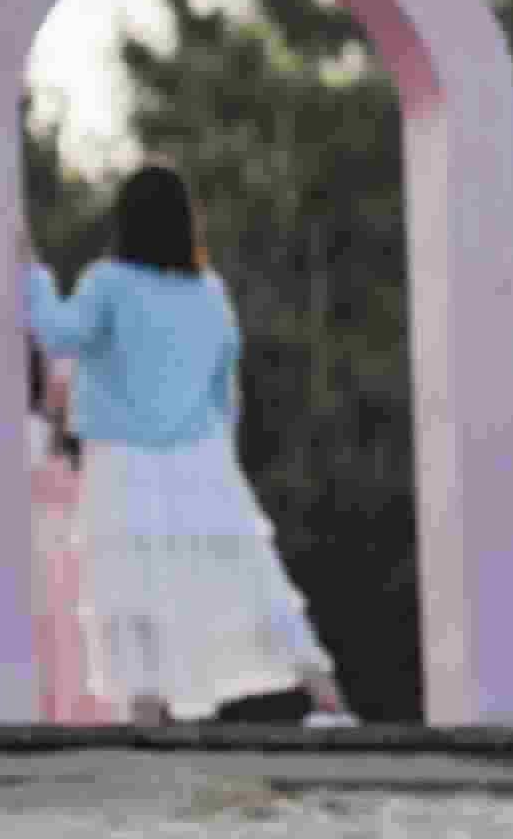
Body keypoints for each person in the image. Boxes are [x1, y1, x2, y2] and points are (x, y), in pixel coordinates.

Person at [20, 165, 352, 727]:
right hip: (203, 457)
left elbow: (58, 334)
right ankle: (324, 694)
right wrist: (223, 458)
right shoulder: (209, 291)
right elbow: (225, 385)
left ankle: (147, 708)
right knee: (251, 577)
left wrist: (31, 272)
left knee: (130, 586)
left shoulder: (108, 282)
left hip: (123, 458)